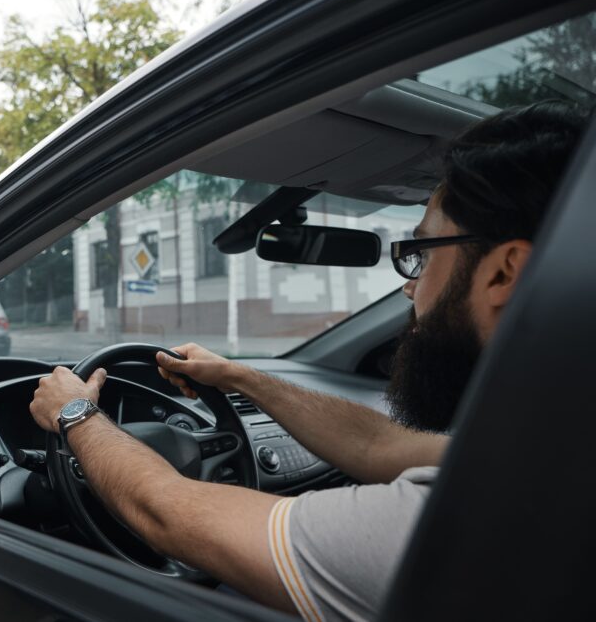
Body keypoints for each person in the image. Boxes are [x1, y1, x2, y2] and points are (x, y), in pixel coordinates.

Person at [30, 100, 588, 621]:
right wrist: (241, 376)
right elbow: (381, 446)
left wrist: (76, 416)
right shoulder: (551, 449)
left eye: (420, 253)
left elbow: (170, 516)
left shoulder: (474, 522)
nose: (408, 290)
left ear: (504, 272)